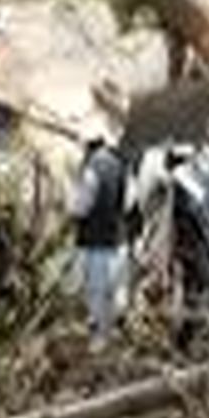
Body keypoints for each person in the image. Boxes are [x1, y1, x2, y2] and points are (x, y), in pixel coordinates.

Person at [69, 119, 130, 346]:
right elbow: (128, 202)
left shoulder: (91, 169)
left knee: (97, 297)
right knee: (117, 294)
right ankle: (118, 339)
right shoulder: (120, 164)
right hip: (118, 240)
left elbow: (79, 208)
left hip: (95, 243)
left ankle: (99, 344)